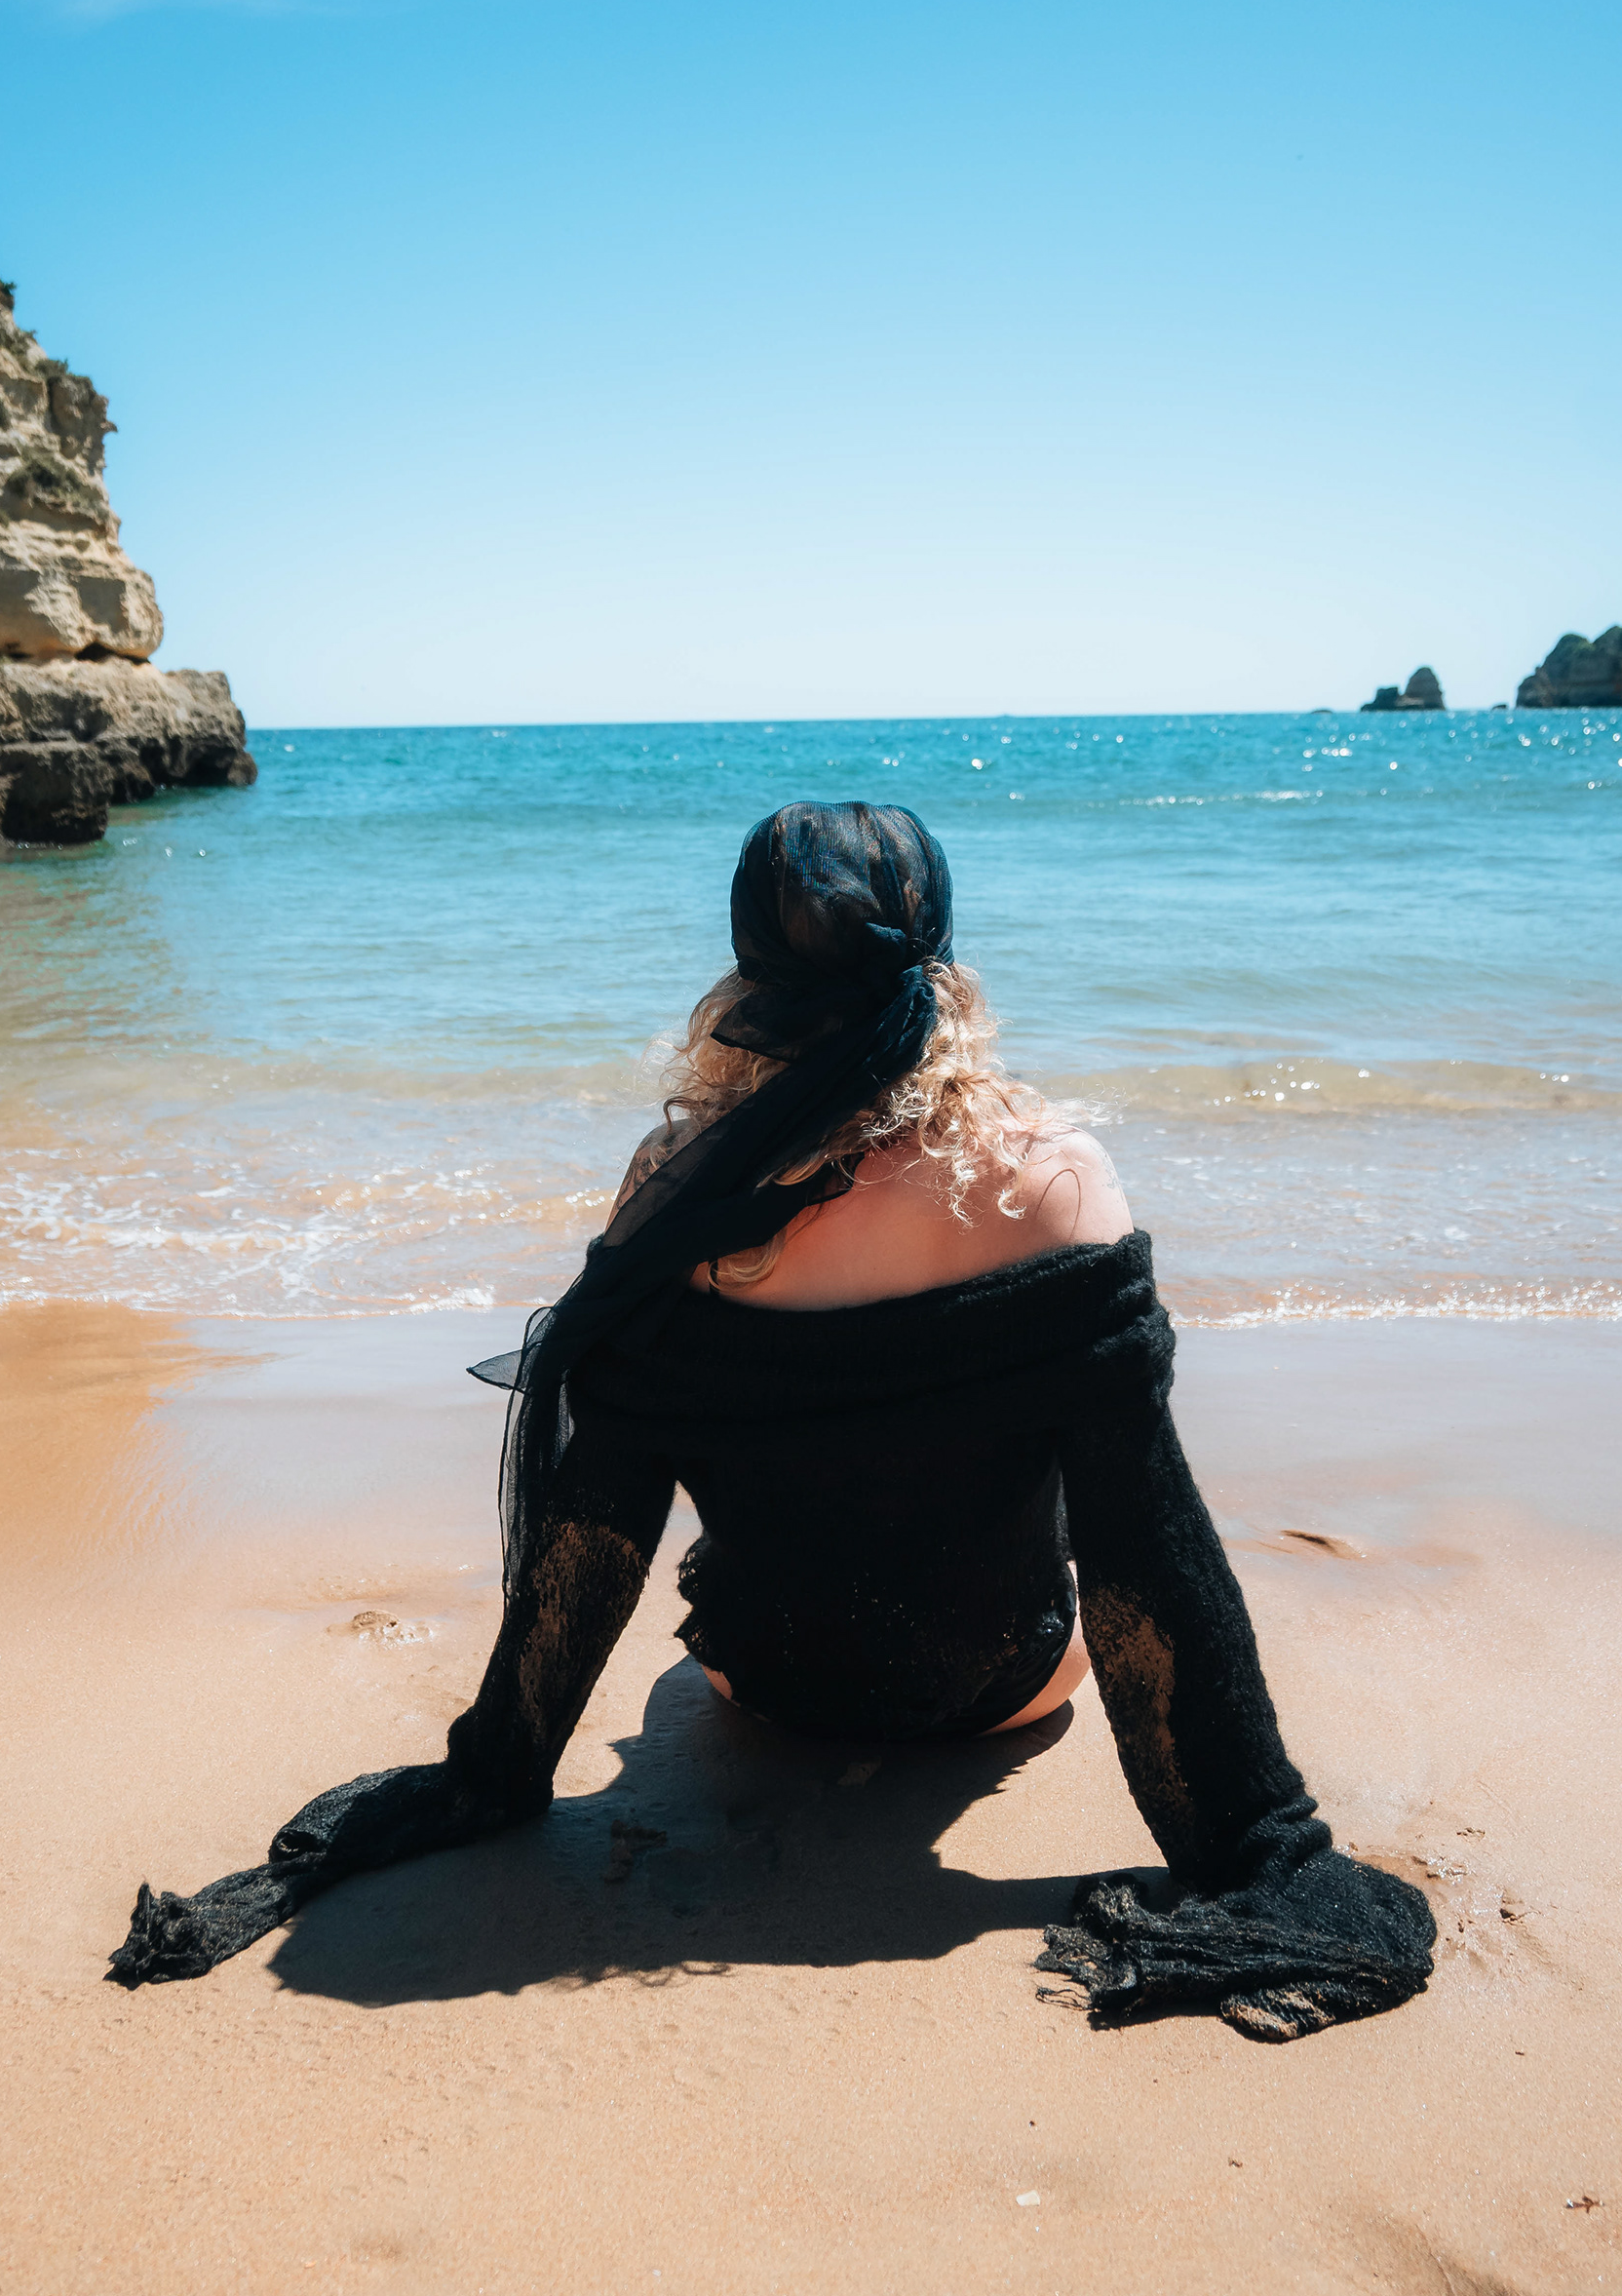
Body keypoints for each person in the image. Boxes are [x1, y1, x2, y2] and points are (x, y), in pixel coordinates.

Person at [111, 803, 1434, 2040]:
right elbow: (1149, 1547)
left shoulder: (677, 1198)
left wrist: (501, 1759)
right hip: (1003, 1692)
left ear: (747, 966)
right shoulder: (1051, 1182)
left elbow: (599, 1515)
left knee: (686, 1651)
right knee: (1065, 1536)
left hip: (770, 1687)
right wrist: (1248, 1832)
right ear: (940, 952)